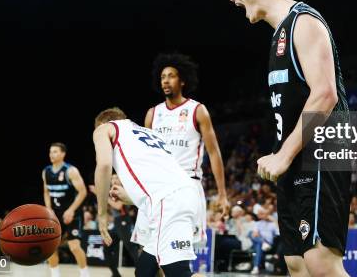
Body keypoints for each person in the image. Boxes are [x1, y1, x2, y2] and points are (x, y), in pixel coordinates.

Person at [227, 0, 351, 276]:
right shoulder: (278, 36)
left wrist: (283, 155)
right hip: (295, 160)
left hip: (322, 153)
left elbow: (325, 94)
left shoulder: (304, 21)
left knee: (321, 262)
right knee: (297, 264)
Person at [92, 107, 200, 277]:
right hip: (188, 195)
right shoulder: (151, 134)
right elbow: (160, 179)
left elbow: (104, 166)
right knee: (144, 271)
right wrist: (131, 197)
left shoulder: (104, 128)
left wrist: (102, 213)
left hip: (168, 202)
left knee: (178, 272)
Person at [143, 52, 229, 246]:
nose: (165, 81)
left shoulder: (197, 110)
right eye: (163, 77)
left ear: (182, 80)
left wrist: (222, 194)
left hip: (186, 185)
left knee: (181, 255)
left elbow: (214, 153)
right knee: (151, 255)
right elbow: (146, 158)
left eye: (171, 76)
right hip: (159, 188)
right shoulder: (153, 114)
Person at [42, 142, 89, 277]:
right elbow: (46, 192)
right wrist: (49, 210)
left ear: (63, 154)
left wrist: (71, 210)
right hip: (55, 214)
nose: (52, 154)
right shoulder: (46, 172)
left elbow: (83, 192)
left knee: (74, 246)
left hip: (72, 213)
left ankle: (85, 274)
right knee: (50, 247)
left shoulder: (70, 171)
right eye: (51, 152)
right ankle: (55, 274)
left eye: (55, 151)